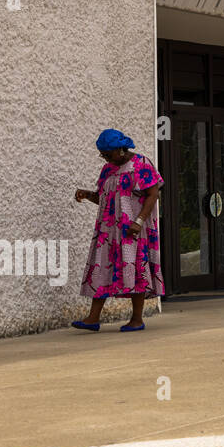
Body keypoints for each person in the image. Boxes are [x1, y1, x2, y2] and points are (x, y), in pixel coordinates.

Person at [71, 129, 165, 332]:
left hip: (132, 231)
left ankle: (137, 319)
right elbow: (105, 198)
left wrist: (139, 221)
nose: (105, 158)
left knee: (134, 268)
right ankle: (92, 318)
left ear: (121, 150)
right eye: (103, 155)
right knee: (102, 267)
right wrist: (87, 195)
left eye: (108, 154)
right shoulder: (108, 170)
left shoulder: (141, 164)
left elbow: (152, 194)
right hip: (108, 231)